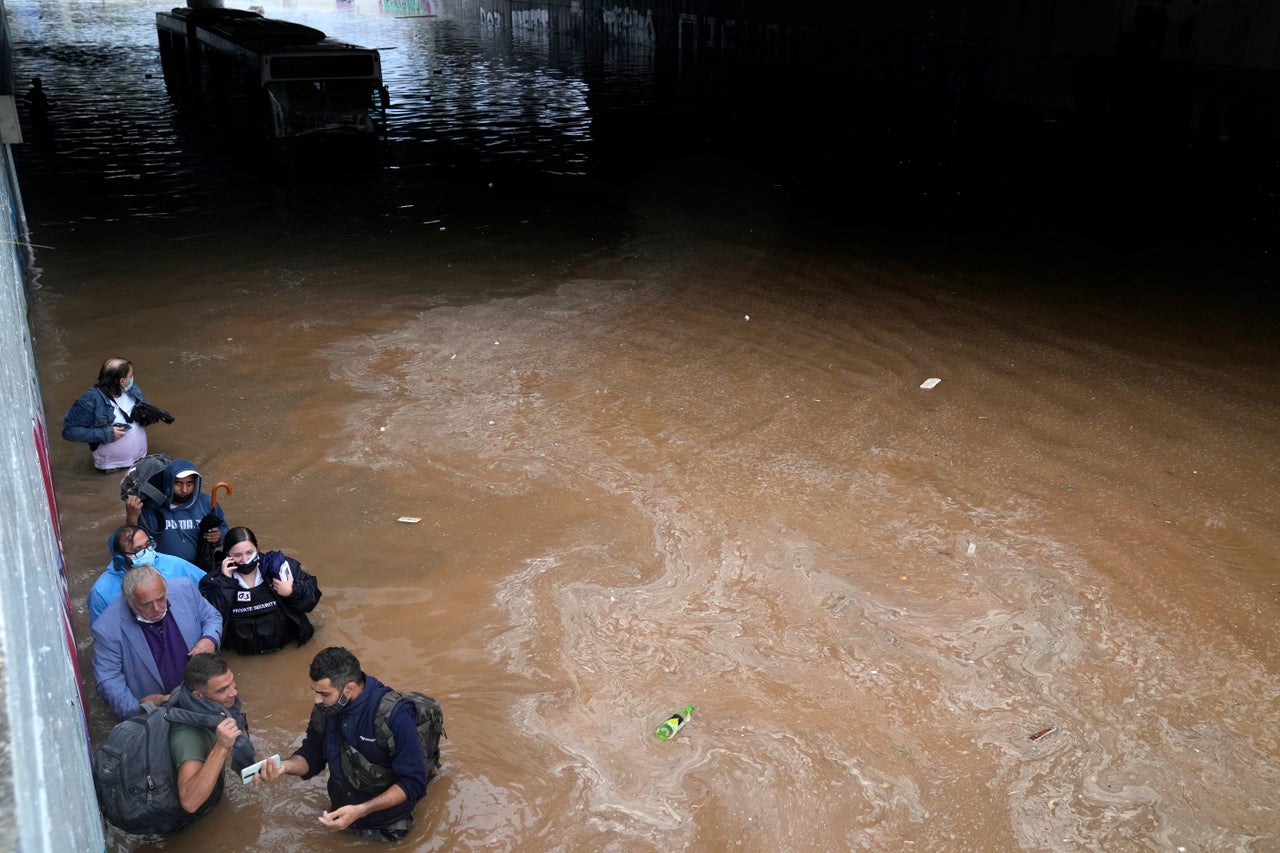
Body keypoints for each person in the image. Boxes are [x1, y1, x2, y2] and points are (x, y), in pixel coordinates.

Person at [256, 647, 429, 841]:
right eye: (315, 692)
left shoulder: (395, 717)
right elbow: (312, 754)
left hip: (387, 823)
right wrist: (285, 766)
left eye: (324, 693)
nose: (317, 699)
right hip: (341, 814)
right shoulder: (326, 708)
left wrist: (361, 810)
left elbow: (413, 783)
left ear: (349, 689)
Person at [91, 566, 223, 720]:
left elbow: (212, 617)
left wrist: (209, 639)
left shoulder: (185, 589)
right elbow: (108, 681)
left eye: (161, 599)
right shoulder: (106, 629)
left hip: (203, 696)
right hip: (156, 716)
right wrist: (139, 709)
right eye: (146, 604)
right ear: (129, 601)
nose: (157, 609)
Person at [199, 526, 322, 655]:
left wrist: (292, 591)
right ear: (227, 555)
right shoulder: (215, 580)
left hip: (286, 650)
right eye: (237, 555)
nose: (245, 560)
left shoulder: (278, 568)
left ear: (256, 548)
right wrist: (225, 584)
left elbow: (312, 597)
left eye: (249, 552)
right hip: (241, 656)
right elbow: (209, 618)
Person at [169, 654, 256, 820]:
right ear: (198, 696)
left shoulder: (187, 696)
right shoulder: (188, 735)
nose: (234, 693)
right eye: (222, 690)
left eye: (232, 682)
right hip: (191, 822)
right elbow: (190, 802)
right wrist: (222, 746)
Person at [88, 525, 207, 625]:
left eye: (148, 544)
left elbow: (208, 588)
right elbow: (103, 635)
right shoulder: (101, 592)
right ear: (120, 558)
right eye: (138, 550)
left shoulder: (175, 564)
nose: (148, 552)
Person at [125, 457, 227, 568]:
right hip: (163, 570)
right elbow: (130, 544)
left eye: (189, 484)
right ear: (168, 483)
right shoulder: (150, 507)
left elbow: (225, 529)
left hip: (200, 568)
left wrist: (219, 536)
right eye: (178, 483)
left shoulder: (206, 502)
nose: (184, 490)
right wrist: (132, 517)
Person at [61, 357, 148, 471]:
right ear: (122, 381)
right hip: (112, 468)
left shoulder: (131, 389)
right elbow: (69, 431)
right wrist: (105, 433)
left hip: (141, 461)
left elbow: (143, 407)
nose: (132, 379)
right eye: (130, 376)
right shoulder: (90, 399)